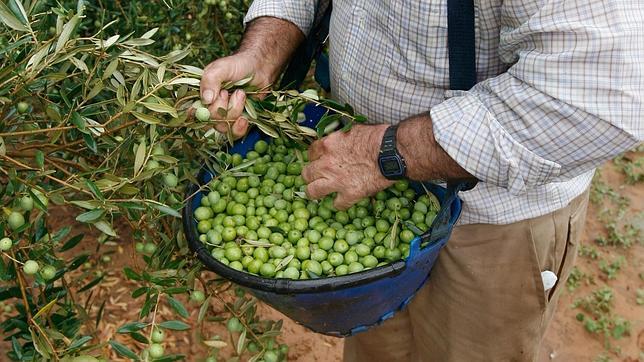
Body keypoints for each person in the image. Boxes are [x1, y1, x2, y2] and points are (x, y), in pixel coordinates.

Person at [199, 1, 643, 361]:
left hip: (489, 222)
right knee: (376, 345)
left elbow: (604, 94)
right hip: (353, 184)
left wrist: (389, 153)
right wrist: (264, 48)